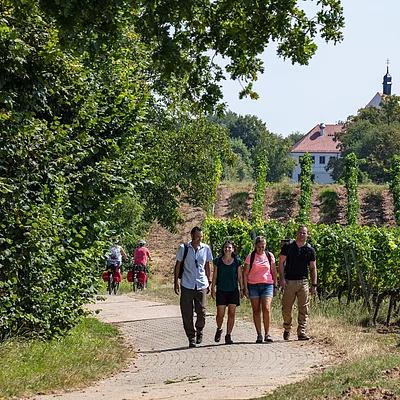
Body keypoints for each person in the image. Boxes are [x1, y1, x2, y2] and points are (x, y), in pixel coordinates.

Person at [174, 226, 213, 348]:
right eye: (197, 237)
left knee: (201, 311)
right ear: (192, 236)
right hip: (187, 284)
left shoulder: (206, 248)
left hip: (201, 283)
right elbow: (178, 265)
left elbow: (207, 265)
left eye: (201, 237)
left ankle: (200, 330)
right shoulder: (184, 248)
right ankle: (191, 337)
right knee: (187, 313)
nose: (199, 240)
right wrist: (175, 282)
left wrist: (209, 279)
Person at [279, 225, 317, 341]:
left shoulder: (310, 250)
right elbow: (281, 263)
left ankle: (302, 331)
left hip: (303, 282)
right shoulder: (288, 247)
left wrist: (314, 284)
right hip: (289, 281)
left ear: (307, 234)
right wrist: (282, 279)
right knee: (286, 308)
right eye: (300, 232)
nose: (302, 235)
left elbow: (313, 268)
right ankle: (287, 328)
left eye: (304, 233)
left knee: (304, 308)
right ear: (297, 233)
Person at [243, 236, 278, 343]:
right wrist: (245, 288)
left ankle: (267, 333)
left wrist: (275, 286)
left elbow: (274, 271)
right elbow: (245, 273)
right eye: (259, 247)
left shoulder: (269, 256)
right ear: (255, 246)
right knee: (256, 310)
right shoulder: (251, 256)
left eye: (263, 247)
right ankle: (259, 334)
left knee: (266, 308)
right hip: (253, 285)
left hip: (267, 285)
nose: (261, 249)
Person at [211, 240, 244, 345]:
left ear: (233, 249)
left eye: (229, 247)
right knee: (220, 314)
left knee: (231, 313)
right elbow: (215, 276)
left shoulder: (237, 261)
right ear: (223, 249)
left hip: (233, 290)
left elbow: (239, 276)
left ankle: (228, 334)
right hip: (221, 290)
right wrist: (212, 288)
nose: (227, 249)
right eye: (225, 247)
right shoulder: (218, 261)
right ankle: (219, 328)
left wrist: (242, 288)